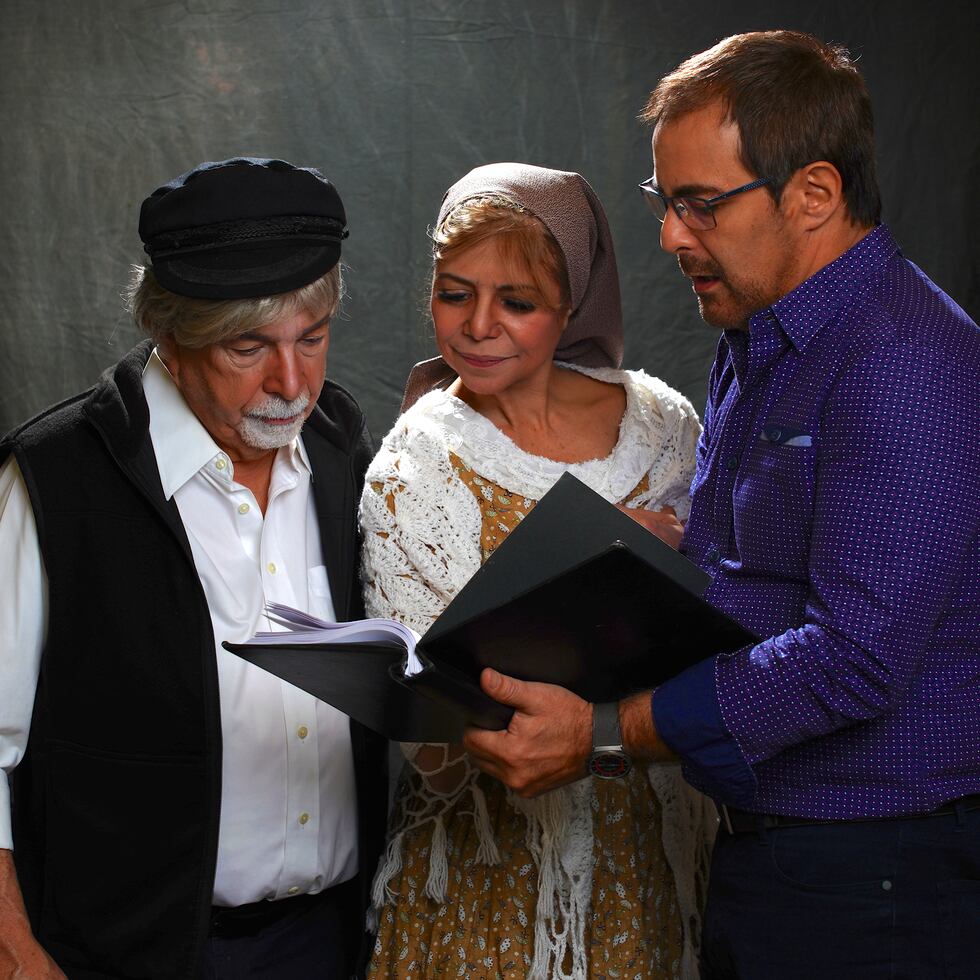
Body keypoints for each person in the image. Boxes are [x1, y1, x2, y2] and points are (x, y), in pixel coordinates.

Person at [462, 31, 980, 979]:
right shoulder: (760, 325)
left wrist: (607, 735)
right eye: (667, 203)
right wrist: (670, 547)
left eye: (700, 205)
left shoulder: (906, 360)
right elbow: (780, 556)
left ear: (815, 194)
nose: (668, 236)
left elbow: (855, 661)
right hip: (771, 849)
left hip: (875, 874)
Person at [0, 158, 387, 979]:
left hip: (331, 943)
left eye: (311, 339)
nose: (292, 383)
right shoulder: (53, 480)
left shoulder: (345, 453)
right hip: (124, 957)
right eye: (248, 347)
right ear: (171, 337)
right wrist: (14, 953)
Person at [359, 162, 714, 979]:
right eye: (454, 293)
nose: (479, 324)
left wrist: (675, 552)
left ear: (571, 308)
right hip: (489, 882)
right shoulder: (414, 466)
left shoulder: (662, 425)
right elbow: (440, 737)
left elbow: (723, 618)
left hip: (651, 861)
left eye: (516, 302)